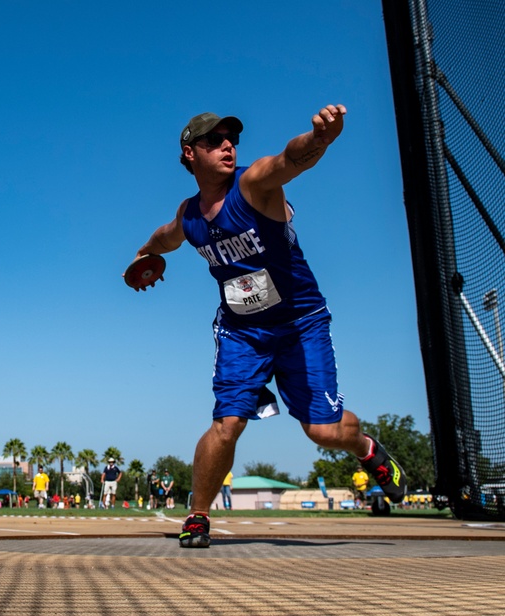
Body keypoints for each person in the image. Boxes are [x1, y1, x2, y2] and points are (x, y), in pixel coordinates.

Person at [131, 106, 407, 548]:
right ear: (190, 154)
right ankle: (198, 516)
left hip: (300, 323)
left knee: (322, 431)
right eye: (214, 141)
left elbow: (287, 160)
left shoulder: (253, 183)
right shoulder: (190, 215)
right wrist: (145, 255)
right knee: (227, 423)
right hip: (242, 332)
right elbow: (167, 236)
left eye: (231, 139)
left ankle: (368, 449)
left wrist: (319, 139)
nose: (227, 146)